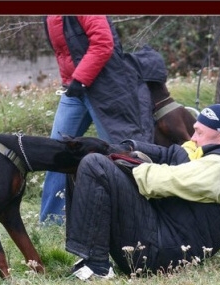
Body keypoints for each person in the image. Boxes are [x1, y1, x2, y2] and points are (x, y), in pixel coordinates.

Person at [65, 104, 220, 280]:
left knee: (95, 164)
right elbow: (174, 154)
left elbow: (163, 181)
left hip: (165, 253)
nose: (193, 138)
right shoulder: (213, 155)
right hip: (160, 237)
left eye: (199, 132)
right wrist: (126, 148)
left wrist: (122, 163)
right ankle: (90, 259)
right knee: (80, 160)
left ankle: (98, 268)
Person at [40, 15, 154, 225]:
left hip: (106, 88)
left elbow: (103, 42)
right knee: (56, 151)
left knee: (122, 154)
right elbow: (65, 52)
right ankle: (52, 222)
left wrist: (80, 79)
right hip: (75, 89)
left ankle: (143, 215)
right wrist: (72, 82)